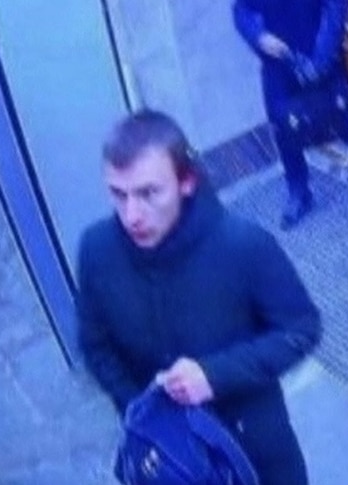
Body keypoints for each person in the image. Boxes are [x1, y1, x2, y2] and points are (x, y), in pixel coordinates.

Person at [77, 110, 322, 485]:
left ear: (186, 181)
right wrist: (142, 409)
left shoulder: (244, 245)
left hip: (256, 451)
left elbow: (301, 329)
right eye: (118, 194)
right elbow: (95, 345)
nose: (132, 215)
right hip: (168, 459)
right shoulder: (96, 250)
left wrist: (214, 375)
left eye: (148, 193)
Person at [233, 0, 348, 230]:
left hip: (320, 52)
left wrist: (318, 62)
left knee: (331, 112)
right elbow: (242, 10)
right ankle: (299, 192)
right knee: (283, 125)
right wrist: (258, 36)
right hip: (278, 62)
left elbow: (336, 8)